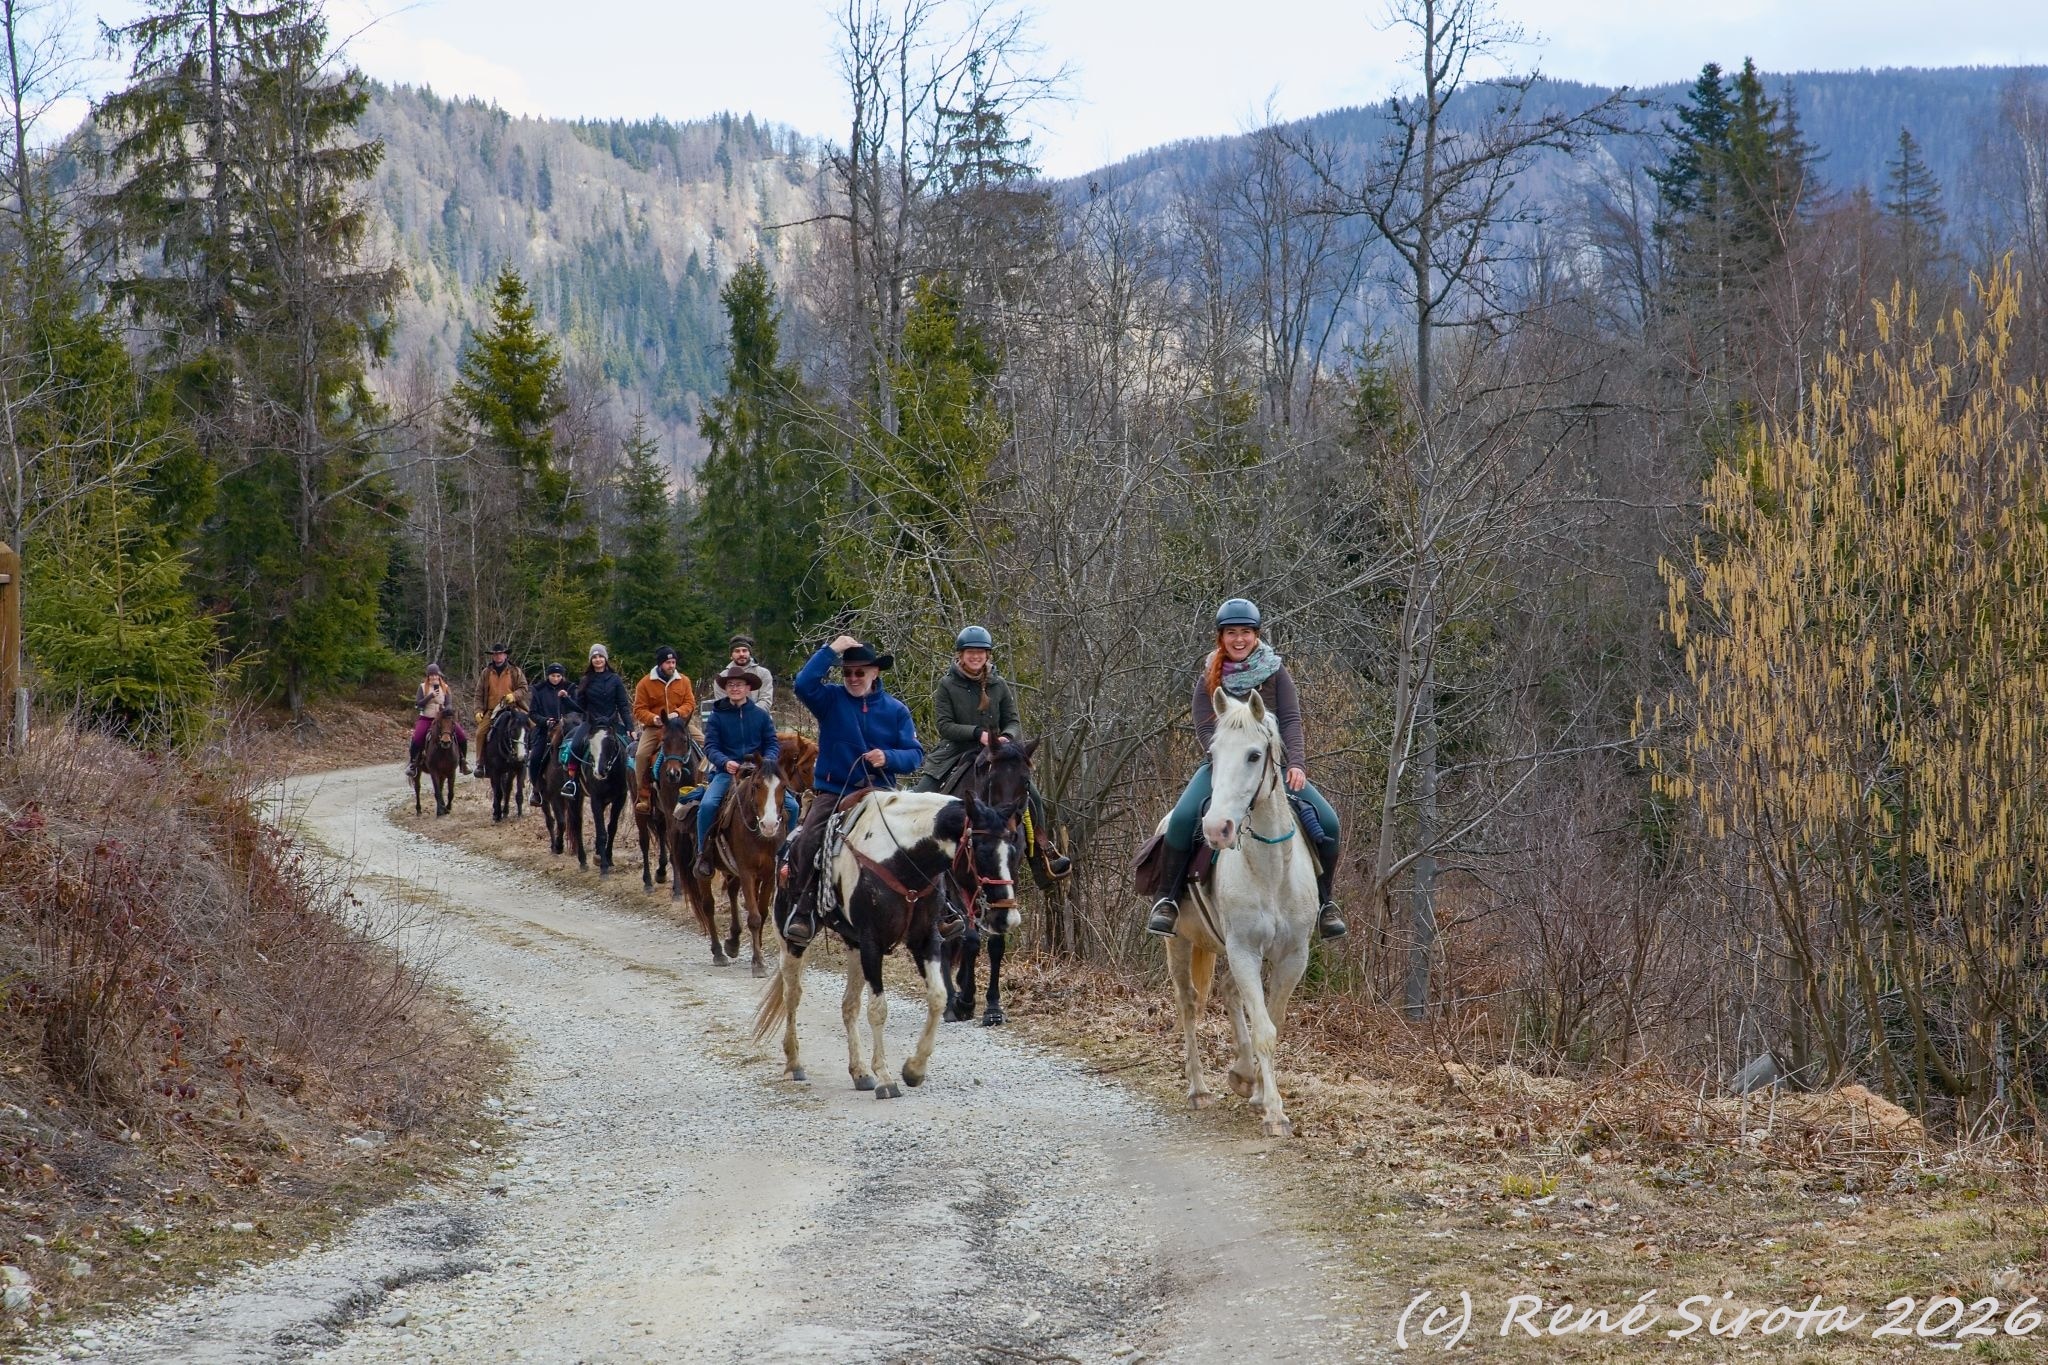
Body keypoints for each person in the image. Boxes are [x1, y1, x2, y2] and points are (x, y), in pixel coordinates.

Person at [1145, 598, 1346, 942]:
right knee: (1181, 819)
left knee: (1328, 822)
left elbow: (1291, 719)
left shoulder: (1275, 672)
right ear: (1221, 637)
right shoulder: (1209, 675)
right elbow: (1203, 724)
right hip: (1222, 765)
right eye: (1231, 633)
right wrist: (1223, 758)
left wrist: (1297, 763)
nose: (1239, 639)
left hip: (1270, 768)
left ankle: (1325, 904)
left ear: (1256, 635)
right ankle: (1168, 900)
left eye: (1246, 632)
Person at [778, 634, 923, 948]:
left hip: (881, 791)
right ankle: (804, 910)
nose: (853, 678)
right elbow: (803, 684)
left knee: (919, 838)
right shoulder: (829, 700)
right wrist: (831, 650)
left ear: (875, 672)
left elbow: (915, 755)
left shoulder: (896, 710)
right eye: (847, 672)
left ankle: (931, 911)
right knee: (808, 839)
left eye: (860, 672)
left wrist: (889, 757)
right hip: (833, 791)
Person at [914, 625, 1071, 886]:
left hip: (998, 752)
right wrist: (978, 734)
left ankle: (1042, 856)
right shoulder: (947, 684)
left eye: (980, 652)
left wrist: (1006, 737)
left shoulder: (999, 684)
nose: (975, 656)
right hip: (957, 750)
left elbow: (1013, 720)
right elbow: (944, 725)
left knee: (1033, 796)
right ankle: (913, 857)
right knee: (921, 794)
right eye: (970, 652)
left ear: (987, 655)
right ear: (961, 655)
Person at [692, 667, 801, 880]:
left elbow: (772, 743)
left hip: (759, 773)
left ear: (748, 688)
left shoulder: (760, 715)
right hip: (728, 773)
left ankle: (788, 853)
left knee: (793, 806)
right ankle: (703, 853)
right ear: (726, 689)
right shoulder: (717, 716)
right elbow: (711, 746)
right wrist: (725, 762)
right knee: (707, 805)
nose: (735, 688)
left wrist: (766, 762)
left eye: (739, 685)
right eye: (731, 685)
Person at [632, 646, 698, 814]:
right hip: (656, 728)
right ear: (660, 664)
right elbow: (638, 709)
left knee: (706, 743)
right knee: (641, 755)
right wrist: (653, 718)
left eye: (673, 662)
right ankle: (644, 795)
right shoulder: (645, 683)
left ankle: (707, 784)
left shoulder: (684, 680)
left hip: (681, 725)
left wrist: (678, 713)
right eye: (668, 663)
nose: (671, 666)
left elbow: (690, 703)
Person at [561, 644, 632, 796]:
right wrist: (566, 700)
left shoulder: (615, 680)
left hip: (612, 723)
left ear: (605, 659)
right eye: (594, 657)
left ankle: (631, 781)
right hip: (590, 723)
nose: (598, 659)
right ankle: (572, 782)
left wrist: (630, 727)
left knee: (630, 748)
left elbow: (623, 706)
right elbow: (580, 706)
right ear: (591, 660)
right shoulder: (586, 680)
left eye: (600, 656)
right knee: (575, 745)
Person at [474, 642, 529, 777]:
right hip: (492, 710)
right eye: (495, 654)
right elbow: (479, 693)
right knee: (480, 733)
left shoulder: (515, 671)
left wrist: (514, 695)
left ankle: (529, 758)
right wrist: (478, 710)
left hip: (513, 708)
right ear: (492, 656)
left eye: (500, 654)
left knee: (531, 726)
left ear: (505, 655)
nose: (498, 656)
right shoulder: (486, 673)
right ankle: (480, 763)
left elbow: (524, 688)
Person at [407, 664, 470, 776]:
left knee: (462, 736)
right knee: (417, 737)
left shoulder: (445, 687)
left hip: (443, 719)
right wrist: (430, 696)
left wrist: (447, 709)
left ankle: (463, 761)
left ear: (439, 675)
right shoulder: (422, 687)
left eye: (435, 675)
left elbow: (449, 703)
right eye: (431, 675)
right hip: (427, 718)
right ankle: (413, 763)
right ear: (428, 676)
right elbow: (418, 704)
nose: (434, 677)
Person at [527, 661, 576, 792]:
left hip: (568, 730)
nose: (555, 679)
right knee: (535, 758)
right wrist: (545, 721)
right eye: (553, 676)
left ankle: (575, 785)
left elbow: (577, 709)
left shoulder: (570, 688)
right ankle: (536, 788)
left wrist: (567, 718)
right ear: (548, 675)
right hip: (545, 730)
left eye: (558, 676)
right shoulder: (539, 690)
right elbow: (532, 713)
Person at [719, 634, 774, 712]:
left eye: (744, 650)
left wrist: (749, 713)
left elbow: (765, 701)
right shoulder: (722, 677)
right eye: (737, 651)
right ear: (731, 655)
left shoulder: (763, 673)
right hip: (731, 717)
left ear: (750, 653)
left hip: (758, 715)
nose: (741, 654)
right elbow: (722, 704)